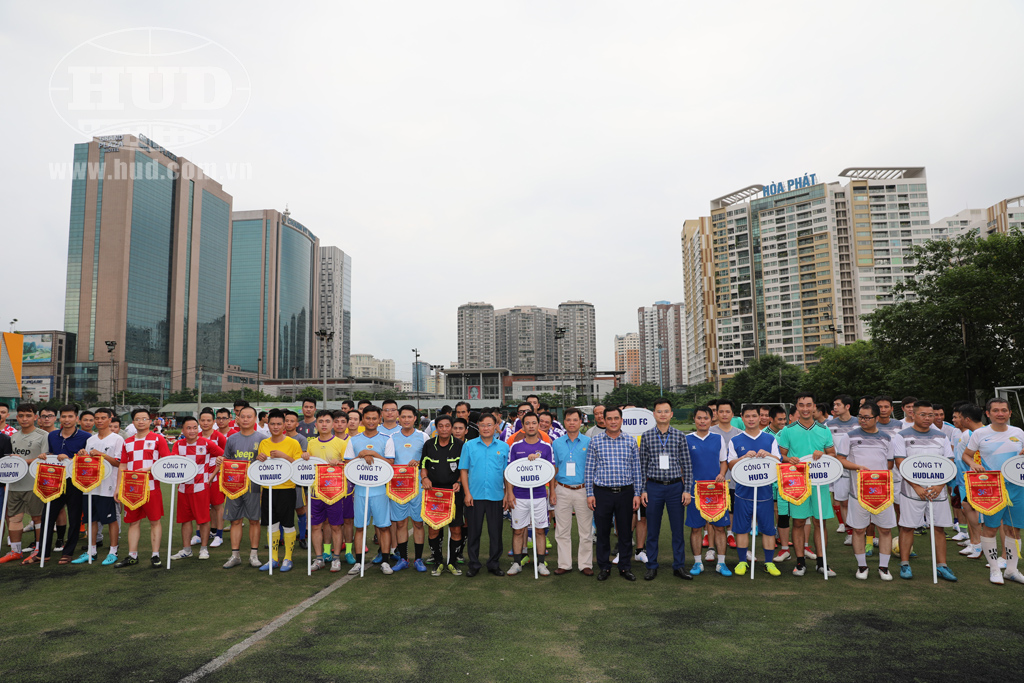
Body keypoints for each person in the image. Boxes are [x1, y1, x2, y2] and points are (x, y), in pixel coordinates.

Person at [834, 402, 899, 580]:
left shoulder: (887, 438)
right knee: (859, 530)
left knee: (885, 530)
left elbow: (890, 463)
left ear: (876, 418)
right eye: (860, 417)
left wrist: (878, 477)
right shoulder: (849, 436)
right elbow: (841, 459)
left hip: (881, 492)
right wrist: (858, 467)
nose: (862, 420)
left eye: (867, 417)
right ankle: (862, 566)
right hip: (858, 493)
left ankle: (884, 568)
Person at [963, 398, 1024, 585]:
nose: (1000, 413)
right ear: (988, 414)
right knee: (990, 528)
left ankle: (1011, 570)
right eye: (996, 410)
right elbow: (966, 455)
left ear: (1010, 413)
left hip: (1017, 486)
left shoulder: (1018, 432)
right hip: (992, 487)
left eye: (1004, 410)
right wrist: (973, 464)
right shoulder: (980, 433)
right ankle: (995, 569)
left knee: (1014, 529)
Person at [894, 401, 957, 582]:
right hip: (911, 491)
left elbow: (949, 462)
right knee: (907, 527)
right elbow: (900, 463)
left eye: (931, 415)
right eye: (923, 414)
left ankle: (942, 566)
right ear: (913, 415)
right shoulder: (901, 436)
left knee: (938, 528)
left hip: (938, 491)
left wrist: (940, 486)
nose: (928, 418)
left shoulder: (942, 436)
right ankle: (905, 564)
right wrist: (916, 486)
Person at [776, 393, 836, 577]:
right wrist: (789, 459)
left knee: (819, 521)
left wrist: (823, 454)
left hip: (819, 482)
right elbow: (781, 456)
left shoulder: (824, 430)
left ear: (814, 406)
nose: (805, 408)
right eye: (801, 405)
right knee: (799, 522)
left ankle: (822, 562)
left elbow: (832, 454)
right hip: (797, 483)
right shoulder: (788, 430)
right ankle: (800, 562)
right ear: (796, 407)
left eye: (808, 405)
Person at [638, 398, 693, 581]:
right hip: (653, 487)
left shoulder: (679, 436)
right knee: (653, 530)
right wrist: (643, 490)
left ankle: (679, 566)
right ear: (654, 414)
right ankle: (651, 565)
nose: (663, 414)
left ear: (671, 414)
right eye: (659, 411)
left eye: (666, 411)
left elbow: (687, 465)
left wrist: (687, 490)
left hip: (675, 488)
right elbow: (642, 466)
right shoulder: (646, 436)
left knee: (677, 530)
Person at [585, 405, 642, 582]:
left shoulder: (630, 441)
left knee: (625, 532)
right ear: (604, 420)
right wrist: (589, 493)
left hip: (626, 493)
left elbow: (636, 469)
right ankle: (604, 566)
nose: (612, 422)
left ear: (621, 420)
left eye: (616, 418)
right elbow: (589, 469)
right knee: (602, 532)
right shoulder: (595, 441)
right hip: (602, 493)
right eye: (609, 418)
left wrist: (637, 493)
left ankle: (625, 566)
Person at [725, 405, 782, 577]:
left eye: (754, 416)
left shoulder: (769, 439)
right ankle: (742, 561)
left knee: (768, 529)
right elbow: (730, 464)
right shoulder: (735, 440)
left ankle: (769, 563)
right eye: (747, 416)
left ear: (760, 418)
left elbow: (779, 462)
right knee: (741, 528)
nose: (751, 419)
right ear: (742, 418)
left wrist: (768, 455)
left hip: (765, 492)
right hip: (743, 492)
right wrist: (743, 458)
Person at [114, 408, 170, 568]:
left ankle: (155, 555)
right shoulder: (127, 442)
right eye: (137, 419)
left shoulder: (158, 439)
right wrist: (118, 488)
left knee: (155, 521)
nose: (141, 421)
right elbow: (123, 465)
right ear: (133, 422)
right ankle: (132, 555)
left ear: (150, 421)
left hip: (151, 487)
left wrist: (147, 469)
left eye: (144, 418)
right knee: (133, 522)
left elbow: (165, 460)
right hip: (131, 489)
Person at [36, 405, 92, 565]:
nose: (67, 420)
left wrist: (72, 457)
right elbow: (50, 454)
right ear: (60, 418)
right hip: (54, 481)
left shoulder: (86, 437)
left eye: (70, 416)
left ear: (77, 419)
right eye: (64, 416)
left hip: (75, 482)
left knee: (74, 518)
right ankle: (43, 553)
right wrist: (45, 455)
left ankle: (68, 552)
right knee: (47, 516)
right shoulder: (52, 435)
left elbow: (88, 461)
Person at [459, 413, 509, 577]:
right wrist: (467, 493)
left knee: (496, 533)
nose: (486, 428)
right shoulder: (469, 446)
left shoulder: (503, 447)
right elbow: (463, 470)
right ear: (478, 427)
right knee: (473, 533)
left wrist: (507, 494)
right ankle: (474, 564)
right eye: (482, 425)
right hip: (474, 496)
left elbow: (506, 473)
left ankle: (494, 564)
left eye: (489, 425)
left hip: (496, 496)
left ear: (495, 427)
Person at [346, 406, 395, 575]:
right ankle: (358, 562)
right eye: (368, 418)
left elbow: (390, 464)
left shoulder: (387, 439)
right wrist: (361, 456)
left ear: (380, 419)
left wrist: (373, 453)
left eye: (375, 418)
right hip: (360, 490)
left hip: (380, 490)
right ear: (362, 420)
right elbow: (347, 464)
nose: (371, 421)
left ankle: (385, 561)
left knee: (384, 527)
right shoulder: (353, 440)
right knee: (360, 527)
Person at [71, 407, 123, 565]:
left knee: (111, 520)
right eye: (97, 418)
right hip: (91, 486)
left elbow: (119, 463)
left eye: (103, 418)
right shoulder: (91, 440)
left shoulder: (117, 439)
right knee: (91, 519)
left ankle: (113, 551)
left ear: (110, 419)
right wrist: (83, 455)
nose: (99, 421)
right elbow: (89, 462)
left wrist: (102, 455)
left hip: (108, 486)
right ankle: (91, 551)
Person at [504, 412, 554, 576]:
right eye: (527, 423)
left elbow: (550, 471)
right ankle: (517, 563)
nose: (531, 426)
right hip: (519, 496)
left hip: (539, 495)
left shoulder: (546, 447)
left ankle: (541, 563)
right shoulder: (515, 447)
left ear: (538, 425)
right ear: (523, 426)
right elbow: (509, 472)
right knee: (518, 530)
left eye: (534, 423)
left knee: (540, 530)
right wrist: (509, 493)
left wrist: (552, 492)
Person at [255, 409, 304, 572]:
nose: (275, 427)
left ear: (284, 425)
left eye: (278, 424)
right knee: (271, 524)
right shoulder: (264, 443)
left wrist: (284, 456)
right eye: (272, 424)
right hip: (268, 489)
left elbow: (298, 466)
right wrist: (259, 459)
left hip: (287, 489)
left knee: (288, 524)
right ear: (267, 425)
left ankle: (288, 558)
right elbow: (261, 467)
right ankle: (273, 558)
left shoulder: (293, 443)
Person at [685, 406, 731, 576]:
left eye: (706, 418)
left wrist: (721, 474)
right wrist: (686, 487)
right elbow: (683, 466)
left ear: (712, 419)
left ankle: (721, 563)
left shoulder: (718, 438)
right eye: (699, 418)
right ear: (694, 419)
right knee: (696, 528)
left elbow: (724, 461)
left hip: (716, 491)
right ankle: (697, 562)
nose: (702, 421)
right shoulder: (687, 439)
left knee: (719, 528)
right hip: (695, 491)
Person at [169, 417, 223, 561]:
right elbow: (173, 462)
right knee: (185, 520)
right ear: (183, 430)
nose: (192, 431)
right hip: (183, 488)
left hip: (201, 488)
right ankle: (187, 549)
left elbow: (223, 456)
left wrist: (211, 476)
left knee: (203, 520)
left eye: (194, 427)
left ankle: (204, 549)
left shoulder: (206, 443)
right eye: (188, 428)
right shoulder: (178, 444)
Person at [219, 406, 265, 569]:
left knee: (254, 520)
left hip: (254, 486)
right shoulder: (232, 439)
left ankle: (254, 555)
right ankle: (235, 555)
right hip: (234, 485)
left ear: (255, 419)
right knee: (235, 520)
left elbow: (267, 464)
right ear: (237, 419)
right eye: (242, 416)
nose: (245, 419)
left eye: (249, 416)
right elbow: (227, 459)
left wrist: (264, 458)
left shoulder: (262, 439)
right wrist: (221, 460)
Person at [385, 405, 429, 572]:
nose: (406, 420)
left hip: (418, 486)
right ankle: (403, 558)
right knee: (401, 523)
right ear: (399, 418)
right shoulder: (392, 438)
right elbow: (389, 461)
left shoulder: (423, 436)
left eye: (409, 417)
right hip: (398, 487)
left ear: (415, 418)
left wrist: (419, 462)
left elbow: (429, 459)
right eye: (403, 417)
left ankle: (418, 559)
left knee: (418, 523)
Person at [550, 408, 594, 576]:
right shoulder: (557, 443)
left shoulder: (589, 442)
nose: (572, 423)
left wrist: (592, 492)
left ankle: (585, 564)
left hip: (583, 489)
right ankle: (564, 564)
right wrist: (552, 491)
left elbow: (593, 467)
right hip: (562, 489)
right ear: (564, 422)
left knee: (586, 531)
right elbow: (554, 468)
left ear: (580, 422)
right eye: (568, 420)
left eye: (575, 420)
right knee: (562, 530)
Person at [420, 415, 465, 576]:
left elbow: (464, 468)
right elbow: (423, 465)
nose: (444, 429)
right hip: (434, 494)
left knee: (456, 529)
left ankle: (452, 562)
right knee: (434, 529)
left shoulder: (460, 445)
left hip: (454, 493)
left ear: (451, 428)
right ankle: (438, 562)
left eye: (447, 426)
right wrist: (424, 478)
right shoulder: (429, 445)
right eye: (441, 426)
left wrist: (459, 482)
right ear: (436, 428)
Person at [0, 403, 44, 564]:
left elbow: (45, 458)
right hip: (14, 484)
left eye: (28, 415)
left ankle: (39, 550)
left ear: (35, 417)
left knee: (37, 518)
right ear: (16, 417)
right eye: (21, 416)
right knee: (14, 518)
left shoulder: (43, 435)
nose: (24, 419)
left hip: (34, 484)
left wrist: (24, 461)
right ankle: (15, 551)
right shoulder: (13, 437)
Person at [305, 410, 348, 572]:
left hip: (335, 491)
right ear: (316, 424)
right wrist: (304, 457)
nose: (324, 424)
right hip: (315, 492)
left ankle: (336, 558)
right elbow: (307, 466)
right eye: (321, 421)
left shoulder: (341, 443)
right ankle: (319, 558)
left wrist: (340, 462)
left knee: (336, 526)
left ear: (333, 424)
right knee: (316, 526)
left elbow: (349, 465)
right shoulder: (311, 444)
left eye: (327, 421)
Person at [952, 404, 985, 559]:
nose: (956, 420)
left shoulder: (973, 434)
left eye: (959, 417)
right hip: (967, 478)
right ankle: (975, 543)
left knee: (978, 512)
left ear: (967, 419)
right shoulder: (968, 433)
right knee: (967, 507)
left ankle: (978, 544)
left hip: (977, 479)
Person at [827, 395, 858, 542]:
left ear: (847, 406)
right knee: (843, 501)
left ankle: (863, 532)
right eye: (834, 404)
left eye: (838, 404)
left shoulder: (859, 423)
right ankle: (850, 533)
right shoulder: (829, 425)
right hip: (839, 469)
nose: (835, 407)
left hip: (857, 468)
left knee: (859, 502)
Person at [196, 409, 228, 549]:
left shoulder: (219, 437)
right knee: (200, 505)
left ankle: (219, 535)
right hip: (199, 477)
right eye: (203, 420)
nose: (205, 423)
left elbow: (226, 456)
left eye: (209, 420)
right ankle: (199, 534)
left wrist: (214, 474)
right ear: (199, 421)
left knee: (217, 506)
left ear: (213, 422)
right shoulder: (195, 436)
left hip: (216, 476)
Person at [283, 410, 310, 550]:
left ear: (297, 424)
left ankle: (302, 537)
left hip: (296, 480)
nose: (288, 423)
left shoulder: (301, 439)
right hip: (281, 479)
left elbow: (300, 461)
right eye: (286, 421)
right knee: (281, 509)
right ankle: (281, 538)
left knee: (300, 508)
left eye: (292, 421)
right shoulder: (278, 438)